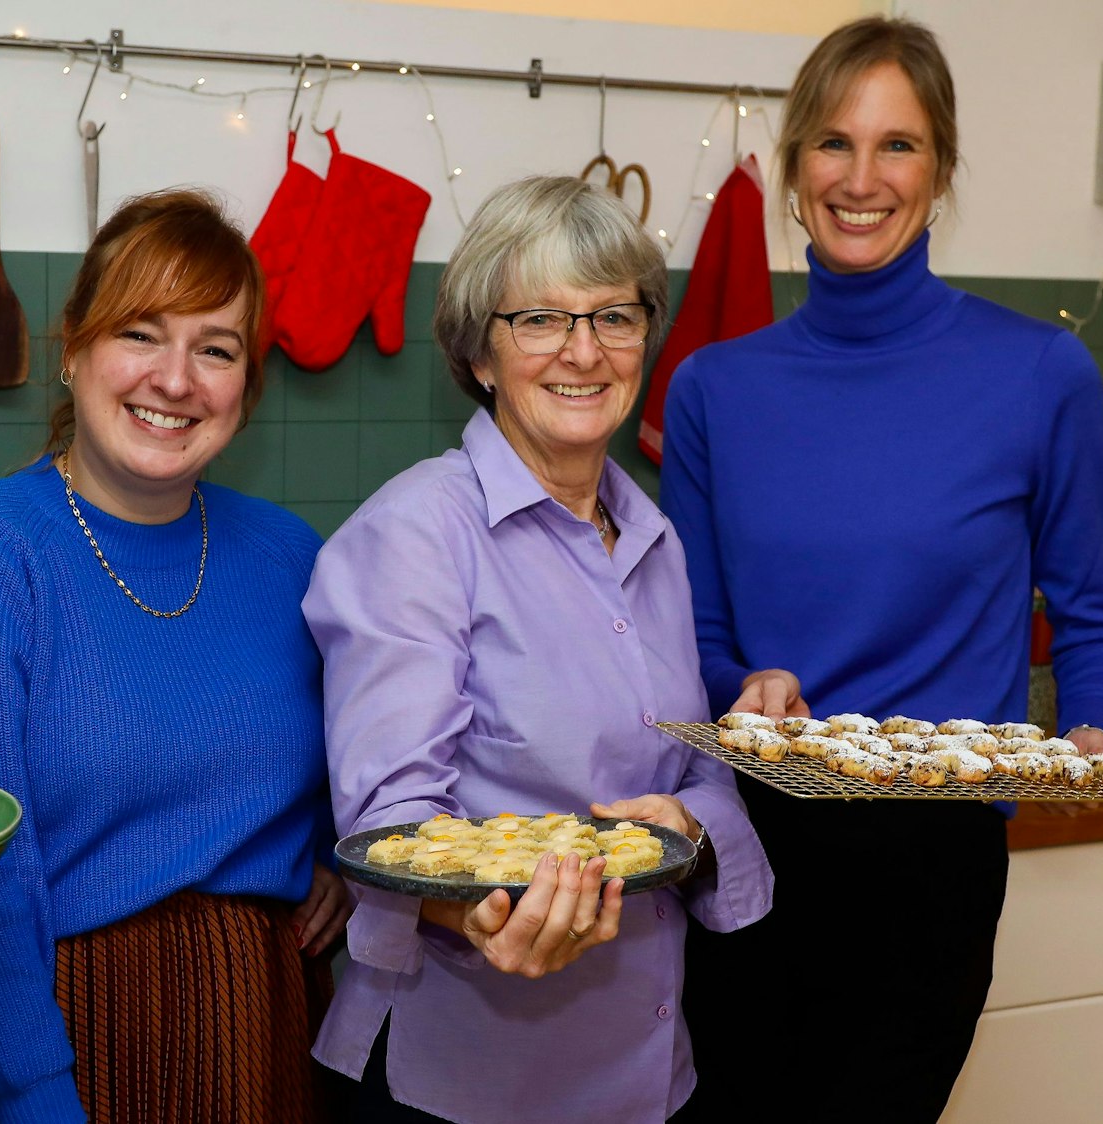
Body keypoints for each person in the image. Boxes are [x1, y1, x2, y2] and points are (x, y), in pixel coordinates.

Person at [659, 18, 1103, 1122]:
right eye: (832, 143)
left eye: (898, 145)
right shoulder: (711, 389)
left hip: (934, 856)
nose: (861, 177)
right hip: (748, 846)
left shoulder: (1038, 371)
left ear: (942, 167)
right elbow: (696, 626)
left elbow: (1089, 617)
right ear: (794, 172)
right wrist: (743, 684)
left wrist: (1088, 735)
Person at [306, 175, 774, 1124]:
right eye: (540, 320)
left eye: (614, 316)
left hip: (650, 1061)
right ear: (481, 351)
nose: (583, 352)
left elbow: (695, 778)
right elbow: (393, 820)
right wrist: (480, 912)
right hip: (465, 1076)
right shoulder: (416, 531)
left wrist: (687, 829)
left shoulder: (655, 539)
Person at [0, 189, 348, 1123]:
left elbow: (345, 755)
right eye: (141, 332)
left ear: (245, 390)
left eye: (215, 348)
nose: (174, 380)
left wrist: (334, 852)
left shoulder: (292, 557)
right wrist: (32, 1091)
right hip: (54, 1034)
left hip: (260, 1029)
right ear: (74, 351)